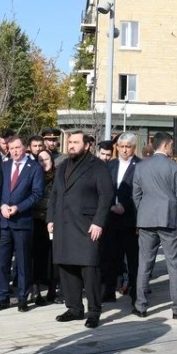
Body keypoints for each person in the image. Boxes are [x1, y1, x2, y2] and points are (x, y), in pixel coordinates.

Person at [47, 130, 113, 328]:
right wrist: (50, 219)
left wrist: (99, 222)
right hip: (63, 225)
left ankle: (94, 310)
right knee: (66, 267)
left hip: (86, 226)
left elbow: (106, 196)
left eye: (76, 142)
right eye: (70, 142)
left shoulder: (98, 166)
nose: (71, 145)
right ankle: (74, 308)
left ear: (87, 145)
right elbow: (55, 195)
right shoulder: (63, 166)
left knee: (89, 269)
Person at [131, 131, 177, 320]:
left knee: (144, 264)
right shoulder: (175, 167)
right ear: (165, 146)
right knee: (174, 265)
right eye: (171, 145)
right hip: (169, 219)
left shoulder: (140, 167)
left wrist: (143, 212)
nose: (173, 148)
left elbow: (136, 195)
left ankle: (140, 306)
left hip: (146, 220)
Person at [0, 135, 44, 311]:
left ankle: (23, 296)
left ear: (25, 148)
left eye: (17, 147)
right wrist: (1, 206)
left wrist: (18, 207)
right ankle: (2, 296)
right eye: (11, 148)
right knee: (2, 261)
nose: (14, 151)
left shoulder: (34, 168)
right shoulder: (4, 166)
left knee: (23, 262)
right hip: (4, 221)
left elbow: (37, 194)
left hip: (22, 221)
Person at [101, 132, 141, 304]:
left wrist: (125, 206)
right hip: (111, 218)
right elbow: (103, 189)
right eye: (121, 146)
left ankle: (134, 292)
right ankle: (109, 290)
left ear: (133, 148)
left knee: (132, 259)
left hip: (130, 219)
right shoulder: (110, 165)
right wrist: (109, 205)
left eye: (128, 147)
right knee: (110, 256)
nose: (124, 150)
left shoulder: (140, 165)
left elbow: (141, 193)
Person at [27, 149, 57, 306]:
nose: (44, 162)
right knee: (37, 257)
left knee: (53, 258)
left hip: (53, 221)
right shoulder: (33, 175)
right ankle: (35, 290)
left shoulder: (59, 176)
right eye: (40, 160)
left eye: (47, 159)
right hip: (36, 220)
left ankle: (53, 290)